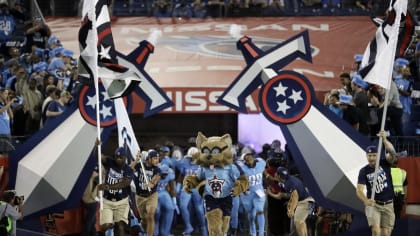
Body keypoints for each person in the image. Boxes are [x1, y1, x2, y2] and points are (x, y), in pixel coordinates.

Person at [356, 130, 397, 236]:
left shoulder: (385, 163)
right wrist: (366, 201)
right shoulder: (364, 171)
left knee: (386, 233)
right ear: (366, 156)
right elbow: (359, 190)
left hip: (388, 204)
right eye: (369, 155)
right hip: (373, 204)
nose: (372, 158)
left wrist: (384, 140)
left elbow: (393, 153)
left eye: (374, 155)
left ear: (378, 155)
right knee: (375, 231)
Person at [96, 146, 134, 236]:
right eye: (116, 157)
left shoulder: (128, 170)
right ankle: (107, 229)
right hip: (107, 200)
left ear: (125, 158)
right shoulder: (110, 162)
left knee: (121, 227)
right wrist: (96, 147)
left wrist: (107, 187)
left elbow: (124, 183)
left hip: (121, 202)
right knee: (105, 225)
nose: (118, 159)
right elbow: (98, 156)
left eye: (121, 157)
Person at [267, 166, 315, 236]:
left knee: (298, 222)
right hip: (308, 201)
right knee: (301, 222)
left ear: (279, 176)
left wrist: (291, 210)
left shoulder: (289, 183)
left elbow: (295, 196)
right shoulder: (288, 179)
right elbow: (291, 194)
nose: (275, 174)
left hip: (306, 202)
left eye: (276, 173)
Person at [132, 150, 161, 236]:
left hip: (151, 195)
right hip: (139, 196)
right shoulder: (139, 165)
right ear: (149, 159)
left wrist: (152, 183)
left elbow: (157, 177)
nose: (157, 160)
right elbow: (129, 169)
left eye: (158, 158)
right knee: (144, 219)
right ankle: (144, 228)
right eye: (155, 158)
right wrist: (136, 160)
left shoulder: (157, 169)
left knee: (150, 215)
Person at [238, 152, 266, 236]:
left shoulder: (261, 164)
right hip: (247, 195)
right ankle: (253, 231)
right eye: (247, 158)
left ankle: (261, 234)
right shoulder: (241, 168)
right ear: (244, 161)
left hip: (259, 193)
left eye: (250, 157)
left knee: (260, 211)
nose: (249, 159)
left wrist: (254, 157)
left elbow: (261, 159)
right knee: (251, 215)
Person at [81, 167, 99, 236]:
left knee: (92, 220)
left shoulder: (84, 175)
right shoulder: (97, 176)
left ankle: (94, 234)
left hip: (84, 199)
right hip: (92, 201)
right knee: (89, 221)